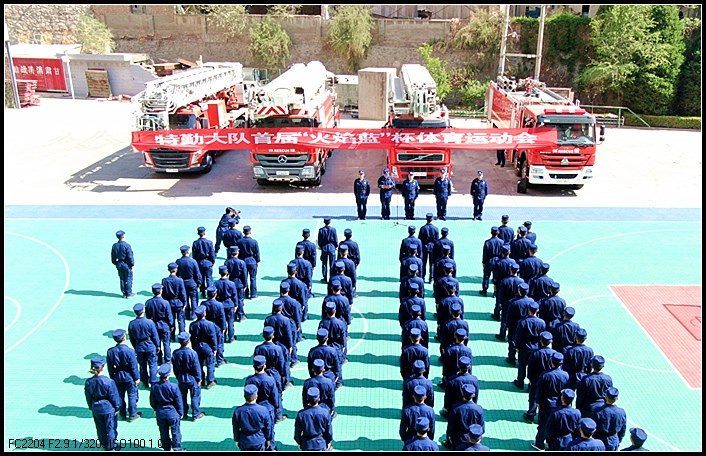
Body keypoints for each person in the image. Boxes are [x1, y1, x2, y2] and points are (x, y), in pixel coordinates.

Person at [532, 352, 569, 451]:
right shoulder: (565, 375)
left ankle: (539, 444)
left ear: (551, 362)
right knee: (556, 425)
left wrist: (538, 402)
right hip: (559, 403)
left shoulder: (545, 375)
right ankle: (551, 443)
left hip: (546, 403)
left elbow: (539, 390)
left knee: (542, 424)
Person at [84, 358, 121, 451]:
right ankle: (111, 446)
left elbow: (88, 397)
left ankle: (104, 444)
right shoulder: (108, 381)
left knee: (100, 428)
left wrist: (91, 406)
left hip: (96, 407)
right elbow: (114, 396)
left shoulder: (88, 382)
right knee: (111, 428)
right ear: (103, 367)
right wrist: (117, 407)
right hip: (108, 408)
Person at [106, 329, 141, 422]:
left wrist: (112, 377)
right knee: (132, 395)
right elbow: (133, 366)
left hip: (117, 375)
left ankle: (122, 413)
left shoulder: (110, 352)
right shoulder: (130, 351)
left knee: (120, 395)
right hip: (129, 375)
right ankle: (133, 414)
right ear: (124, 337)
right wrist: (136, 378)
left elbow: (110, 367)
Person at [149, 363, 184, 452]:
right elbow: (178, 401)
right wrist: (180, 412)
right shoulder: (173, 386)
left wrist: (155, 409)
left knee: (163, 432)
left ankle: (166, 448)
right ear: (168, 375)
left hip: (160, 412)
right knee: (175, 431)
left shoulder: (154, 386)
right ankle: (177, 448)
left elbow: (152, 400)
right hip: (172, 411)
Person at [523, 331, 556, 422]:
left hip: (536, 378)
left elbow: (530, 367)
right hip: (549, 379)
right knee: (545, 397)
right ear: (551, 341)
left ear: (541, 341)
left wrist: (530, 378)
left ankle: (531, 413)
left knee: (533, 396)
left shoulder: (535, 353)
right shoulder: (554, 354)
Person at [171, 331, 205, 421]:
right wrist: (199, 378)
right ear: (188, 341)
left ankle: (184, 413)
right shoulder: (192, 353)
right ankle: (195, 414)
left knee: (182, 396)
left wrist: (178, 376)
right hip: (192, 377)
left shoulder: (175, 353)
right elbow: (196, 367)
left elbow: (175, 367)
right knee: (194, 396)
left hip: (181, 377)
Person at [513, 301, 546, 390]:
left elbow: (518, 336)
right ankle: (531, 385)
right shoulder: (542, 322)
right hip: (536, 347)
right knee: (534, 368)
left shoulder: (523, 322)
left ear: (528, 310)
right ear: (537, 310)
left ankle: (520, 382)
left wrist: (516, 346)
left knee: (522, 365)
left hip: (525, 346)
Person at [232, 384, 274, 451]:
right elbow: (268, 427)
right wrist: (269, 439)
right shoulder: (263, 410)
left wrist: (236, 439)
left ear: (244, 396)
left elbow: (235, 427)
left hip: (244, 440)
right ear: (256, 396)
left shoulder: (238, 411)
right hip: (259, 440)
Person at [128, 302, 160, 388]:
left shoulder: (132, 324)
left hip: (139, 346)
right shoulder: (149, 322)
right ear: (144, 311)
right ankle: (153, 382)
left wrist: (135, 346)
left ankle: (145, 382)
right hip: (150, 345)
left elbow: (131, 338)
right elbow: (155, 335)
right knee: (153, 364)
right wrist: (157, 345)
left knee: (142, 365)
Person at [444, 383, 485, 450]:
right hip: (474, 436)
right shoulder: (479, 409)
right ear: (474, 395)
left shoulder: (455, 408)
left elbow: (451, 425)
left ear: (462, 394)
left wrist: (448, 438)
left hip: (458, 438)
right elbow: (481, 425)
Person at [245, 355, 283, 426]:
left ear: (254, 366)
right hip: (268, 407)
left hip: (254, 407)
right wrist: (277, 406)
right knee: (269, 427)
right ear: (264, 366)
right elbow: (274, 395)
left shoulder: (249, 380)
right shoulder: (270, 380)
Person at [188, 305, 218, 390]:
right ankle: (210, 381)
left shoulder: (192, 325)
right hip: (208, 346)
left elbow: (192, 338)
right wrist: (215, 348)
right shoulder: (210, 324)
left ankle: (201, 379)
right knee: (210, 364)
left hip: (197, 346)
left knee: (199, 364)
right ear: (204, 314)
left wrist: (194, 346)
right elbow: (213, 337)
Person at [145, 283, 174, 365]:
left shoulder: (148, 302)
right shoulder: (165, 303)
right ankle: (168, 359)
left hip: (154, 325)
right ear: (161, 291)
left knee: (156, 343)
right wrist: (171, 325)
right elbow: (169, 315)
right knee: (166, 343)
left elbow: (148, 315)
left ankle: (159, 359)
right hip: (164, 324)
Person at [201, 286, 227, 367]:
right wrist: (223, 327)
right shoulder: (219, 305)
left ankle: (209, 359)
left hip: (207, 326)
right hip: (217, 326)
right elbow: (222, 317)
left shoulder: (203, 304)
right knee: (219, 343)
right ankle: (219, 360)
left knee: (209, 342)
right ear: (215, 294)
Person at [176, 244, 202, 321]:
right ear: (188, 252)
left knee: (185, 299)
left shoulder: (178, 261)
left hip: (183, 283)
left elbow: (177, 274)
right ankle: (194, 315)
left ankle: (187, 314)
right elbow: (197, 273)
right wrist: (199, 282)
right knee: (194, 299)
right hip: (192, 283)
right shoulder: (193, 261)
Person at [162, 262, 187, 340]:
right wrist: (185, 302)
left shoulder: (164, 280)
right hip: (179, 302)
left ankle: (172, 336)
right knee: (181, 320)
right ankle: (182, 336)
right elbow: (183, 293)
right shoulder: (180, 280)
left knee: (171, 320)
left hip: (169, 302)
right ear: (176, 270)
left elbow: (163, 293)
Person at [214, 265, 238, 343]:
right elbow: (234, 295)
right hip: (229, 304)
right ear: (227, 272)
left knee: (221, 322)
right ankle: (231, 337)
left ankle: (223, 337)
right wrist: (236, 305)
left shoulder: (216, 283)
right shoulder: (231, 283)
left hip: (220, 304)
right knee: (230, 321)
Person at [224, 245, 248, 322]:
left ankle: (233, 315)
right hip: (240, 283)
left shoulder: (227, 262)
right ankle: (241, 315)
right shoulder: (242, 262)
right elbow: (244, 275)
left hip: (231, 281)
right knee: (240, 299)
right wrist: (245, 284)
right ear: (237, 252)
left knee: (233, 299)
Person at [237, 225, 260, 299]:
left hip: (243, 261)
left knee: (244, 278)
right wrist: (257, 261)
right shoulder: (254, 242)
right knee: (253, 278)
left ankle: (245, 293)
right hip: (252, 261)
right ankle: (253, 294)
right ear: (250, 232)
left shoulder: (239, 241)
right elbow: (257, 252)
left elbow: (238, 252)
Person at [192, 226, 216, 298]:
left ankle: (202, 292)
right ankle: (210, 292)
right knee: (209, 278)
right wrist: (212, 262)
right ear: (205, 233)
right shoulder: (209, 242)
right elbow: (212, 253)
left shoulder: (195, 243)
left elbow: (194, 255)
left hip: (199, 262)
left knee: (201, 278)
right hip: (208, 261)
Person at [481, 226, 504, 296]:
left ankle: (484, 290)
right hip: (498, 260)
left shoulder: (487, 242)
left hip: (489, 260)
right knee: (496, 277)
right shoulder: (501, 242)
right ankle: (495, 292)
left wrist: (484, 262)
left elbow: (485, 253)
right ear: (498, 233)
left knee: (486, 276)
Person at [111, 230, 135, 298]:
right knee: (128, 278)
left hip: (119, 263)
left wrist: (116, 263)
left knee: (122, 278)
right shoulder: (127, 246)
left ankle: (124, 293)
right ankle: (129, 293)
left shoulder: (114, 246)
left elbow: (113, 257)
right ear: (123, 236)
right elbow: (130, 256)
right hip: (126, 264)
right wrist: (132, 265)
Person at [317, 217, 338, 283]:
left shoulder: (321, 230)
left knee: (324, 264)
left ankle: (325, 278)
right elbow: (335, 239)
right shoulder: (333, 230)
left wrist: (321, 246)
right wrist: (336, 246)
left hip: (324, 248)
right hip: (332, 247)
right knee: (332, 264)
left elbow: (319, 240)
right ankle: (332, 277)